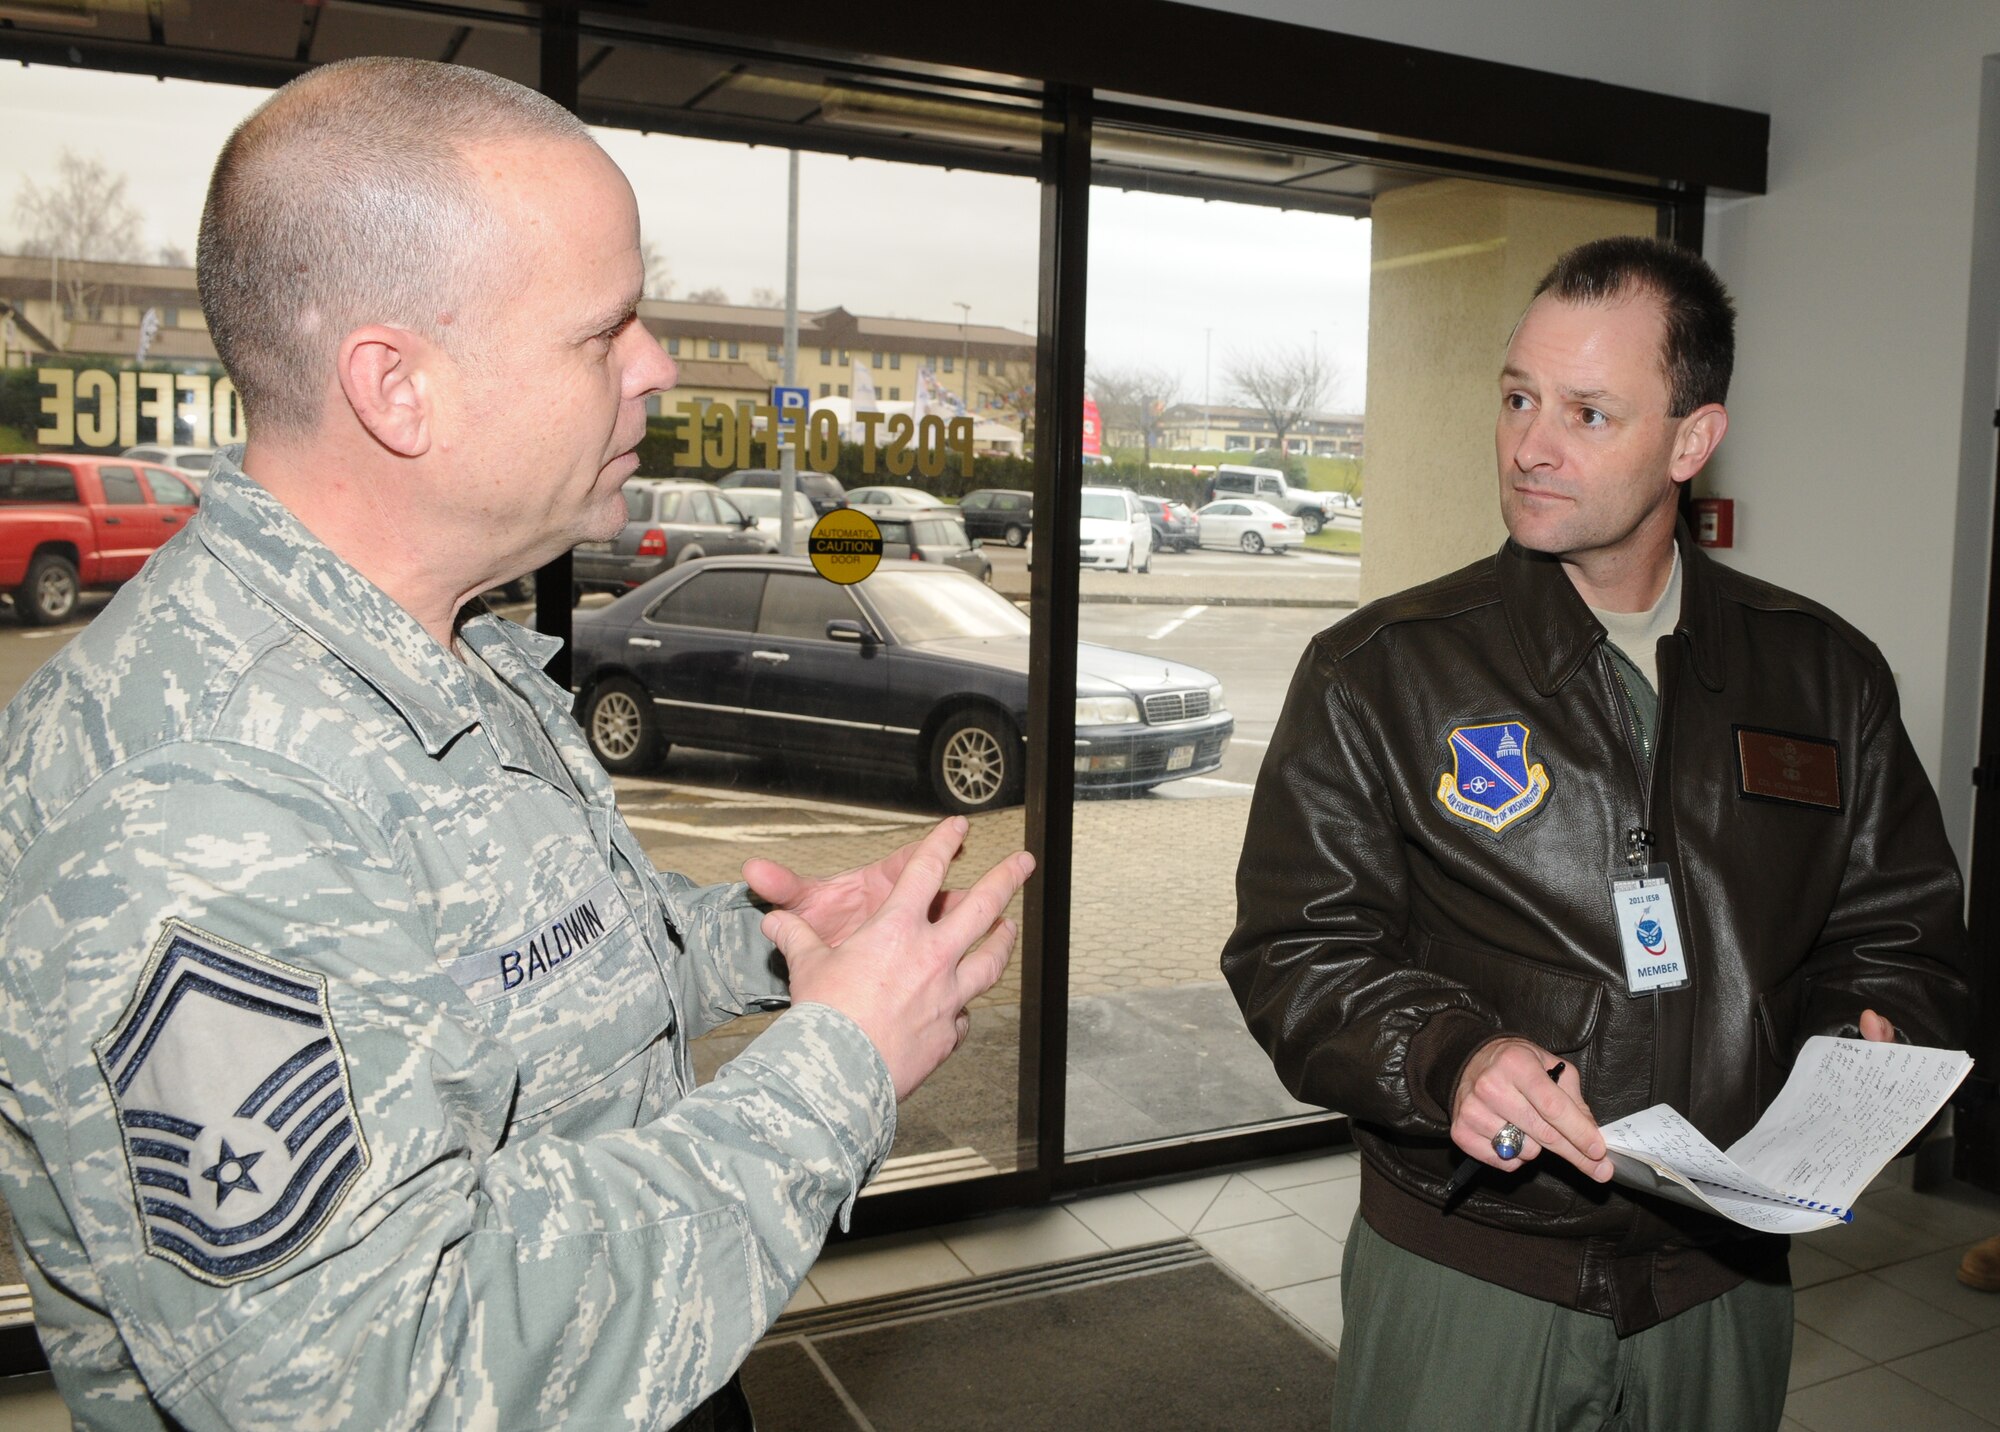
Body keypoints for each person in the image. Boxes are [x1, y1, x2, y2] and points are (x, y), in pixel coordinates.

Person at [0, 58, 1033, 1431]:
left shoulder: (438, 640)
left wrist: (762, 944)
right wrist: (838, 1066)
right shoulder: (195, 795)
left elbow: (502, 968)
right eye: (601, 333)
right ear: (398, 389)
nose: (657, 365)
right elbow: (388, 1373)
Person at [1222, 236, 1976, 1429]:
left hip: (1721, 1281)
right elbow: (1293, 954)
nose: (1529, 442)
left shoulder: (1823, 675)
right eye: (1517, 397)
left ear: (1689, 440)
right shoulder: (1379, 672)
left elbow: (1901, 936)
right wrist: (1449, 1053)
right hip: (1473, 1271)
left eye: (1585, 411)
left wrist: (1870, 1032)